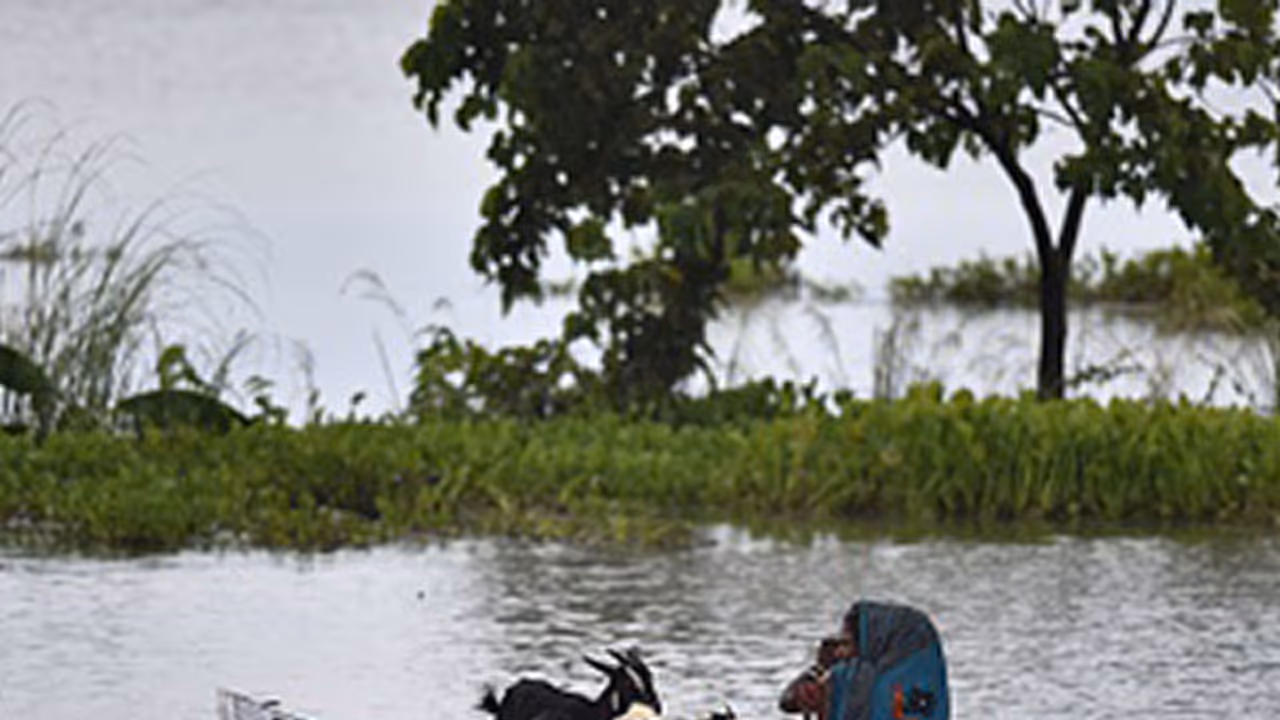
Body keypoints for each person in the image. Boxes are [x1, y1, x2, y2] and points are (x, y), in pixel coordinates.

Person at [778, 607, 860, 720]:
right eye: (838, 645)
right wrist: (820, 668)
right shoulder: (826, 676)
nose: (839, 652)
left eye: (845, 644)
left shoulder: (866, 677)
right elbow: (787, 703)